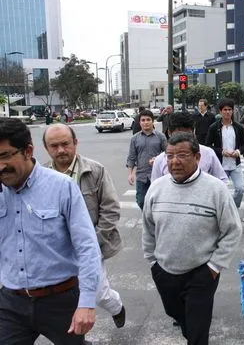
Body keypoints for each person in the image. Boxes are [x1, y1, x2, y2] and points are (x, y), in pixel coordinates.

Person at [0, 118, 101, 344]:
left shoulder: (61, 186)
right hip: (11, 302)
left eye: (5, 156)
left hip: (60, 299)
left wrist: (86, 303)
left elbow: (86, 246)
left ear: (28, 151)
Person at [142, 132, 242, 345]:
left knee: (198, 332)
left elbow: (232, 230)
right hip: (165, 271)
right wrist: (153, 263)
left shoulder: (216, 189)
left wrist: (214, 267)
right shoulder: (157, 188)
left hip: (201, 273)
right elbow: (148, 228)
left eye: (182, 156)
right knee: (178, 315)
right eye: (169, 156)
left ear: (197, 158)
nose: (174, 162)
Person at [43, 124, 127, 328]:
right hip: (58, 250)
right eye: (54, 146)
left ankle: (117, 307)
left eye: (65, 144)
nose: (61, 150)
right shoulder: (40, 176)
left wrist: (94, 241)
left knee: (98, 293)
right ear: (46, 148)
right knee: (66, 297)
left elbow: (110, 209)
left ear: (75, 143)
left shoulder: (95, 170)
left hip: (90, 245)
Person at [151, 111, 228, 183]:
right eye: (178, 135)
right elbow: (155, 188)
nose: (183, 139)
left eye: (187, 134)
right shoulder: (160, 160)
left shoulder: (208, 153)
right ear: (169, 133)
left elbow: (222, 180)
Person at [205, 98, 244, 208]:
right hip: (220, 165)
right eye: (225, 110)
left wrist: (238, 151)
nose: (227, 112)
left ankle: (232, 208)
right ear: (220, 111)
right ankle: (220, 210)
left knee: (240, 189)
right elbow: (208, 145)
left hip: (235, 164)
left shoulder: (238, 128)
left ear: (233, 111)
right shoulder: (214, 128)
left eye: (229, 110)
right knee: (220, 192)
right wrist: (221, 151)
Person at [126, 109, 167, 210]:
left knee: (158, 201)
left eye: (148, 120)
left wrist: (157, 159)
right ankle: (148, 218)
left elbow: (168, 153)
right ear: (139, 123)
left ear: (152, 121)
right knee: (141, 201)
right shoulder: (135, 138)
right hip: (142, 176)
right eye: (143, 120)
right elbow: (132, 156)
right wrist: (130, 173)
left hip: (158, 175)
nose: (146, 122)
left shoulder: (160, 136)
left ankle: (154, 220)